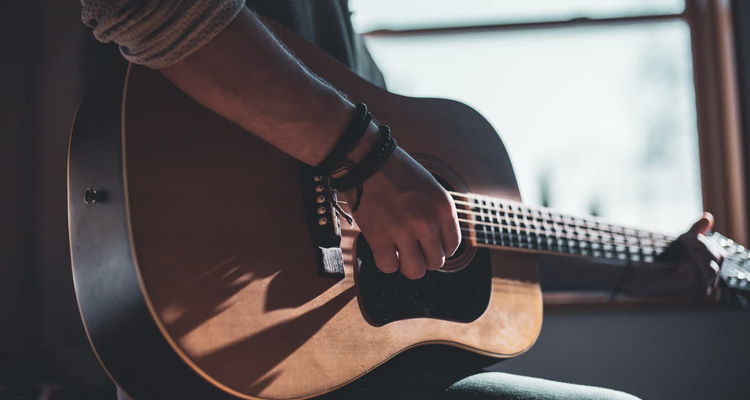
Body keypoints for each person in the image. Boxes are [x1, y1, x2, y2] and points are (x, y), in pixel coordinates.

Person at [80, 1, 724, 399]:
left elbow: (454, 234)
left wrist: (649, 256)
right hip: (232, 359)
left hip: (355, 371)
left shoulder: (340, 36)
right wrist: (365, 162)